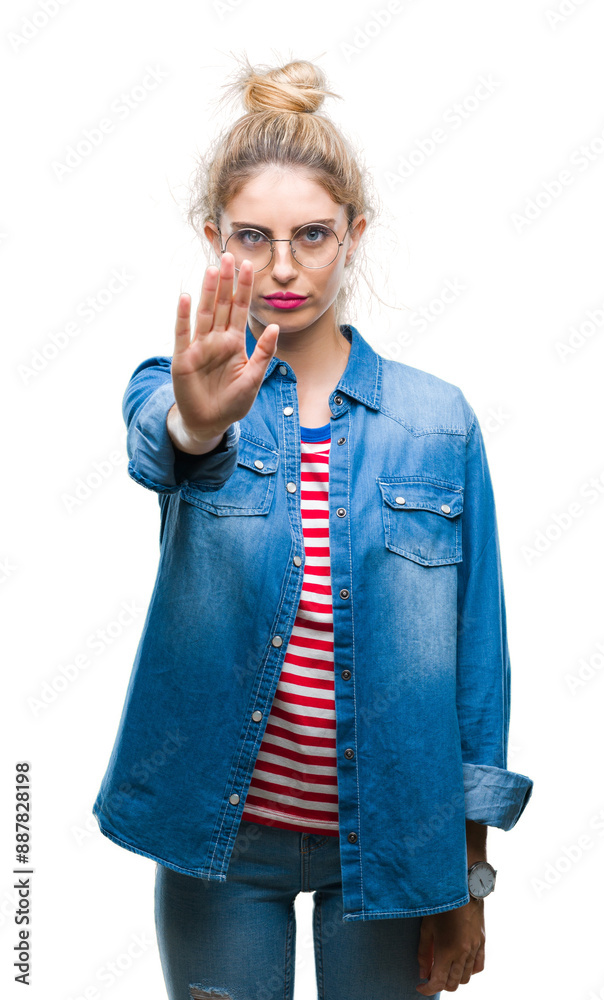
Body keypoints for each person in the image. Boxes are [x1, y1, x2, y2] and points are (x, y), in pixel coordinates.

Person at [92, 56, 534, 1000]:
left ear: (355, 235)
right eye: (252, 237)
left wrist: (470, 874)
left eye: (313, 236)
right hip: (220, 842)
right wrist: (199, 416)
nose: (284, 267)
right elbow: (163, 447)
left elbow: (477, 663)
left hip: (391, 850)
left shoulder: (438, 423)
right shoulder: (176, 388)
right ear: (214, 237)